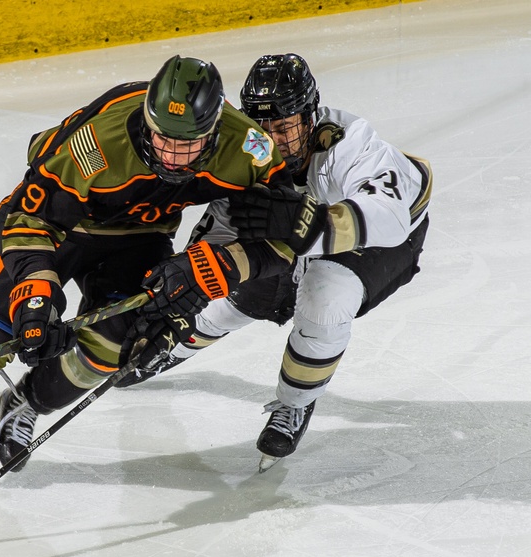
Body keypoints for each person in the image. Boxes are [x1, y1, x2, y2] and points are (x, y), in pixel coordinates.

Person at [0, 55, 298, 489]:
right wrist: (37, 295)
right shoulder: (96, 139)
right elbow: (30, 217)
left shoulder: (249, 147)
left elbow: (288, 231)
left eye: (190, 145)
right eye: (164, 141)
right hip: (58, 226)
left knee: (111, 346)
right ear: (148, 119)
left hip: (139, 233)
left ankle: (24, 403)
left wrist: (213, 269)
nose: (175, 158)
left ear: (216, 128)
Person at [119, 53, 432, 472]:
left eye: (284, 127)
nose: (273, 139)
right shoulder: (244, 151)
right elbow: (220, 234)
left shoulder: (350, 140)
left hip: (381, 240)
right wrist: (185, 292)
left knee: (326, 294)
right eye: (262, 126)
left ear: (310, 115)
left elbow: (391, 216)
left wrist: (311, 223)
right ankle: (175, 348)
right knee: (230, 293)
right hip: (297, 233)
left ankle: (296, 403)